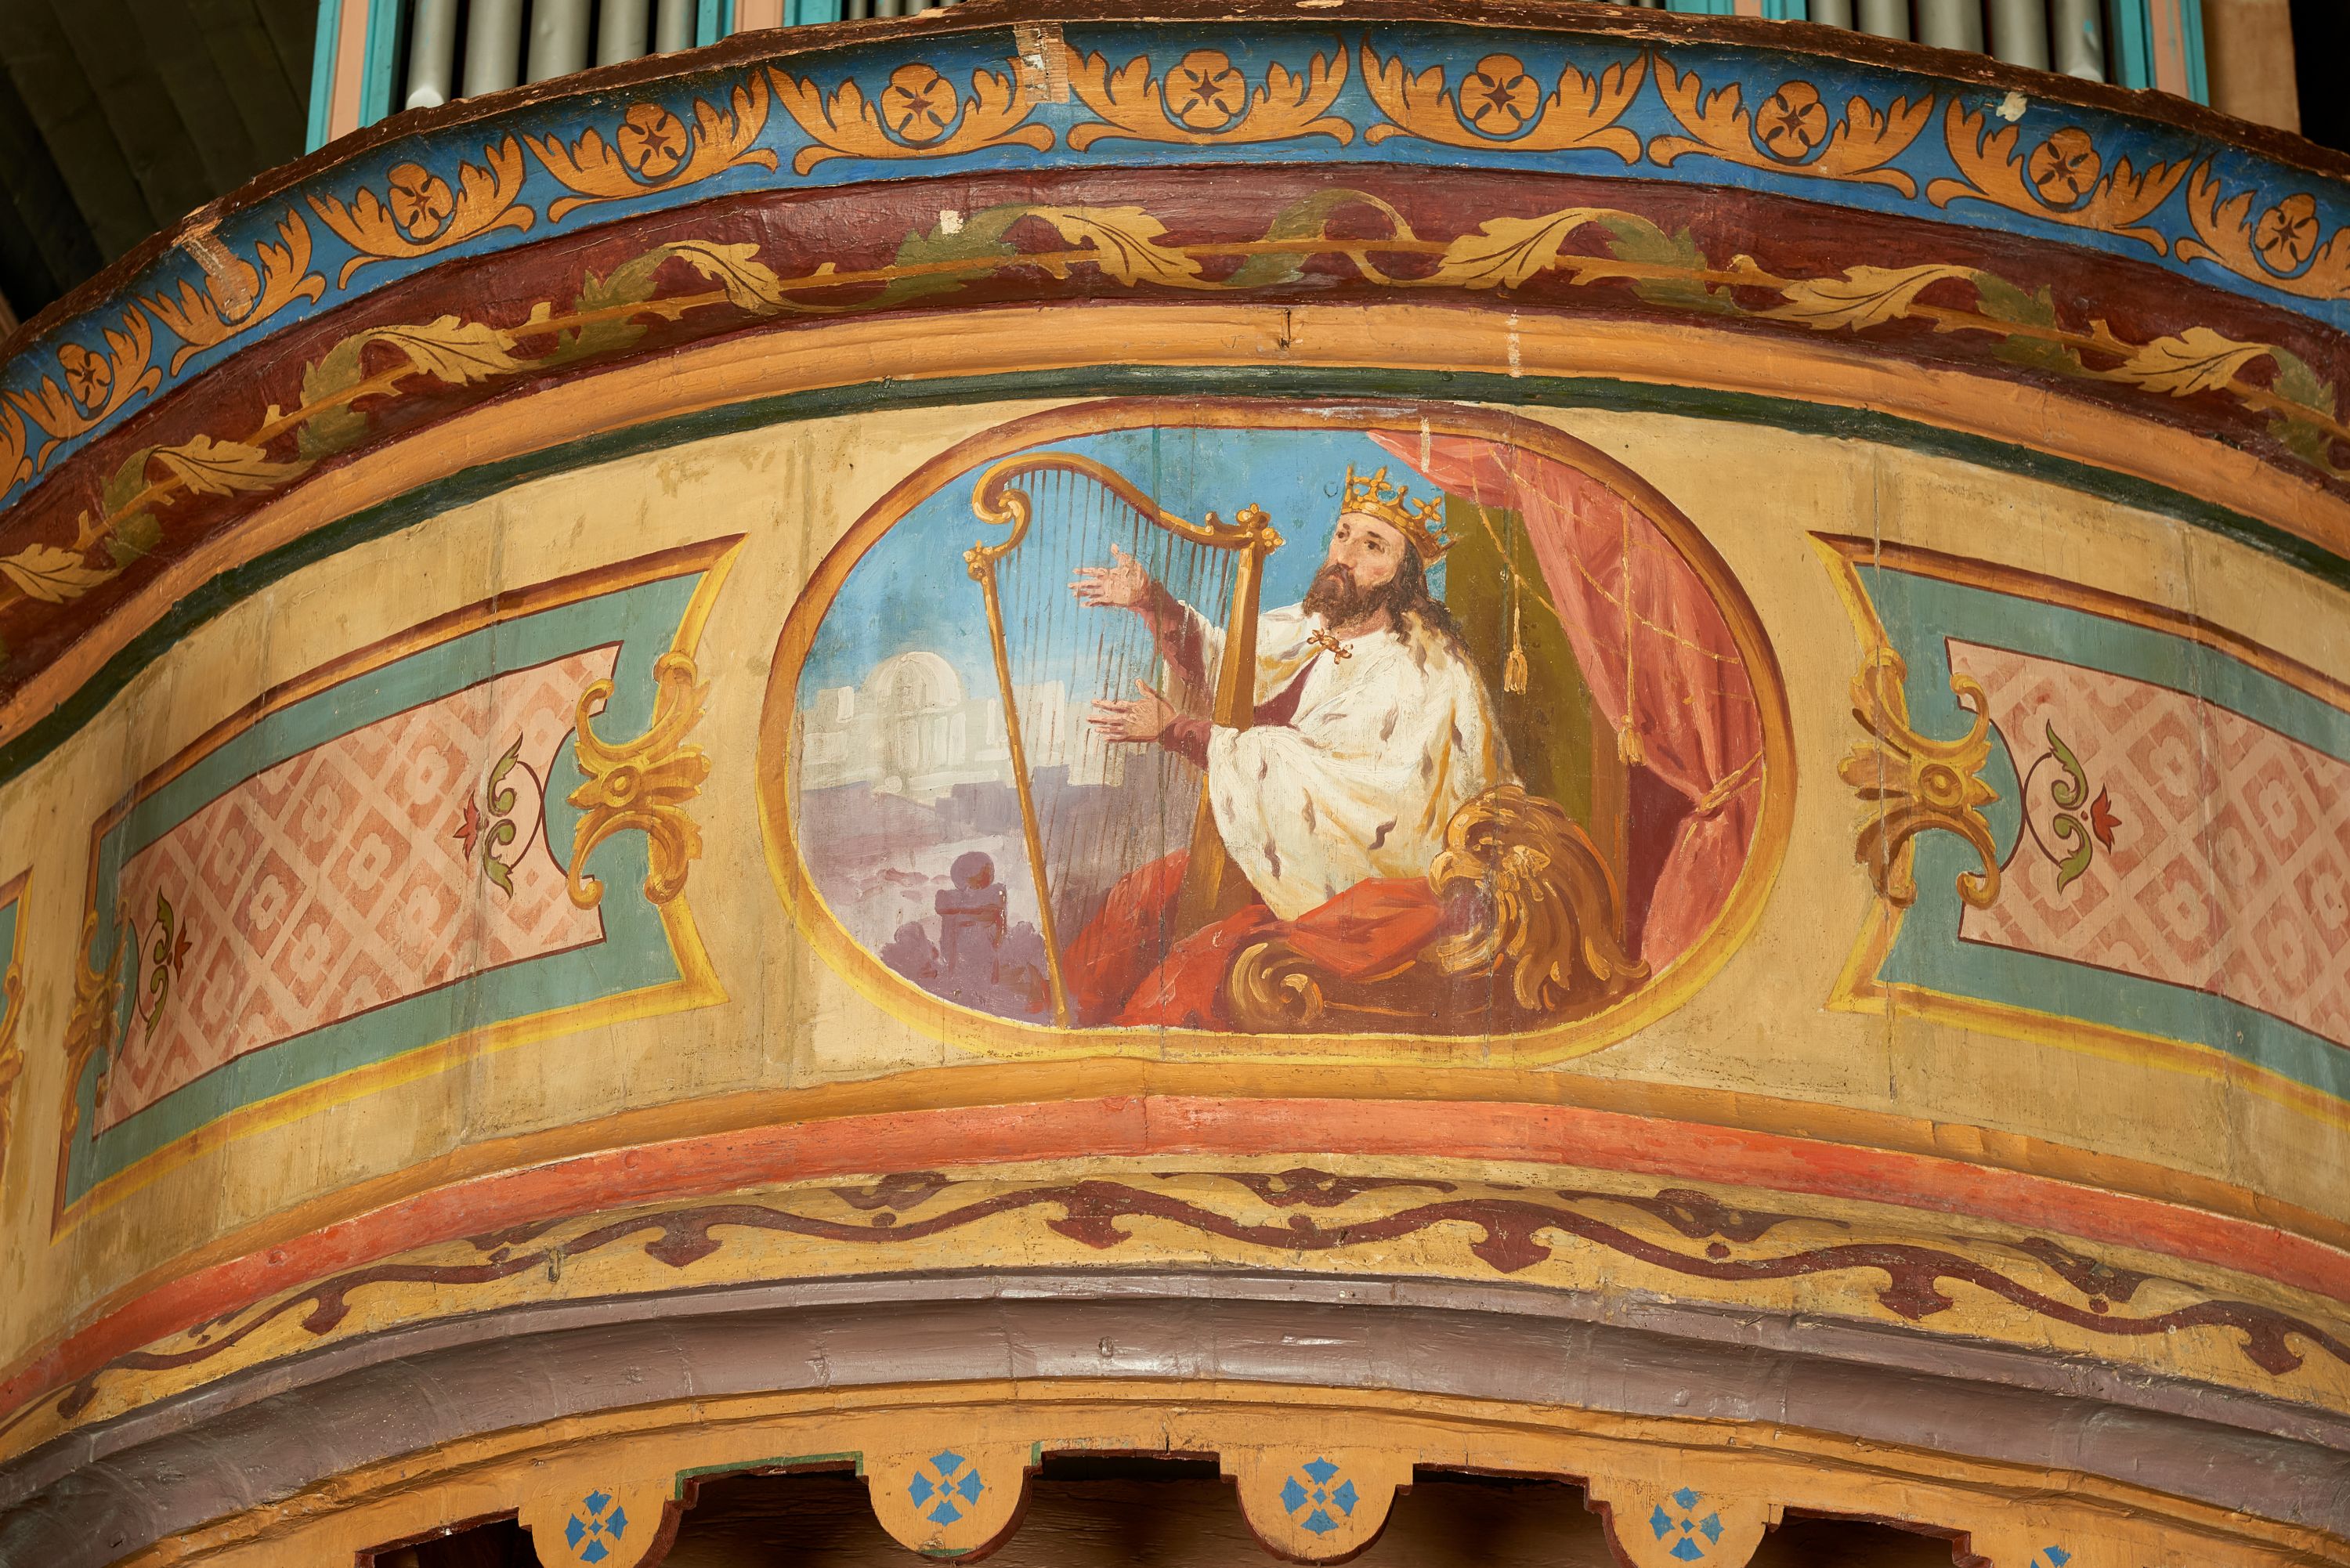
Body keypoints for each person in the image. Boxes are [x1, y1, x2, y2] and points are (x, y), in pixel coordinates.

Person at [1062, 466, 1512, 1024]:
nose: (1345, 555)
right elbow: (1230, 668)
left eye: (1372, 546)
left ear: (1404, 577)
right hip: (1280, 849)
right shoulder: (1307, 626)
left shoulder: (1426, 670)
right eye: (1343, 534)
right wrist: (1151, 601)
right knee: (1137, 900)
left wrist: (1177, 730)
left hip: (1357, 879)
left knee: (1188, 978)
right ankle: (1065, 1029)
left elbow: (1340, 789)